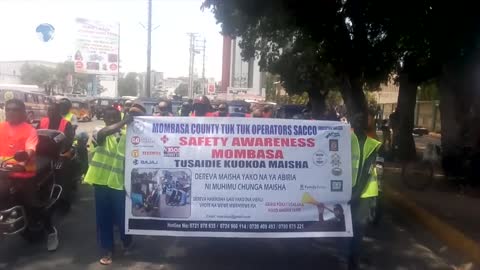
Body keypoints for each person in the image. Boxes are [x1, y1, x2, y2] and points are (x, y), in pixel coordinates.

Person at [84, 105, 145, 265]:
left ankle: (127, 241)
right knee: (104, 219)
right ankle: (107, 249)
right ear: (103, 119)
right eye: (108, 117)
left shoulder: (128, 135)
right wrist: (125, 120)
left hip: (120, 184)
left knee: (122, 217)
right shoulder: (99, 132)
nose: (110, 120)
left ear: (118, 118)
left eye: (114, 117)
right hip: (101, 184)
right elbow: (105, 132)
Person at [0, 99, 59, 251]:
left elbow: (30, 148)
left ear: (23, 112)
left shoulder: (29, 130)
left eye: (15, 110)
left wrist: (24, 158)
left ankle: (51, 231)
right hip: (3, 175)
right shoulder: (1, 127)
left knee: (33, 205)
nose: (11, 112)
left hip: (23, 174)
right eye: (8, 109)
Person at [349, 112, 382, 269]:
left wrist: (355, 194)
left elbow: (366, 172)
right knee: (351, 228)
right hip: (349, 192)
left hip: (364, 192)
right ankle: (351, 257)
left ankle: (353, 261)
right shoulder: (347, 140)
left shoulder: (372, 144)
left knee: (357, 227)